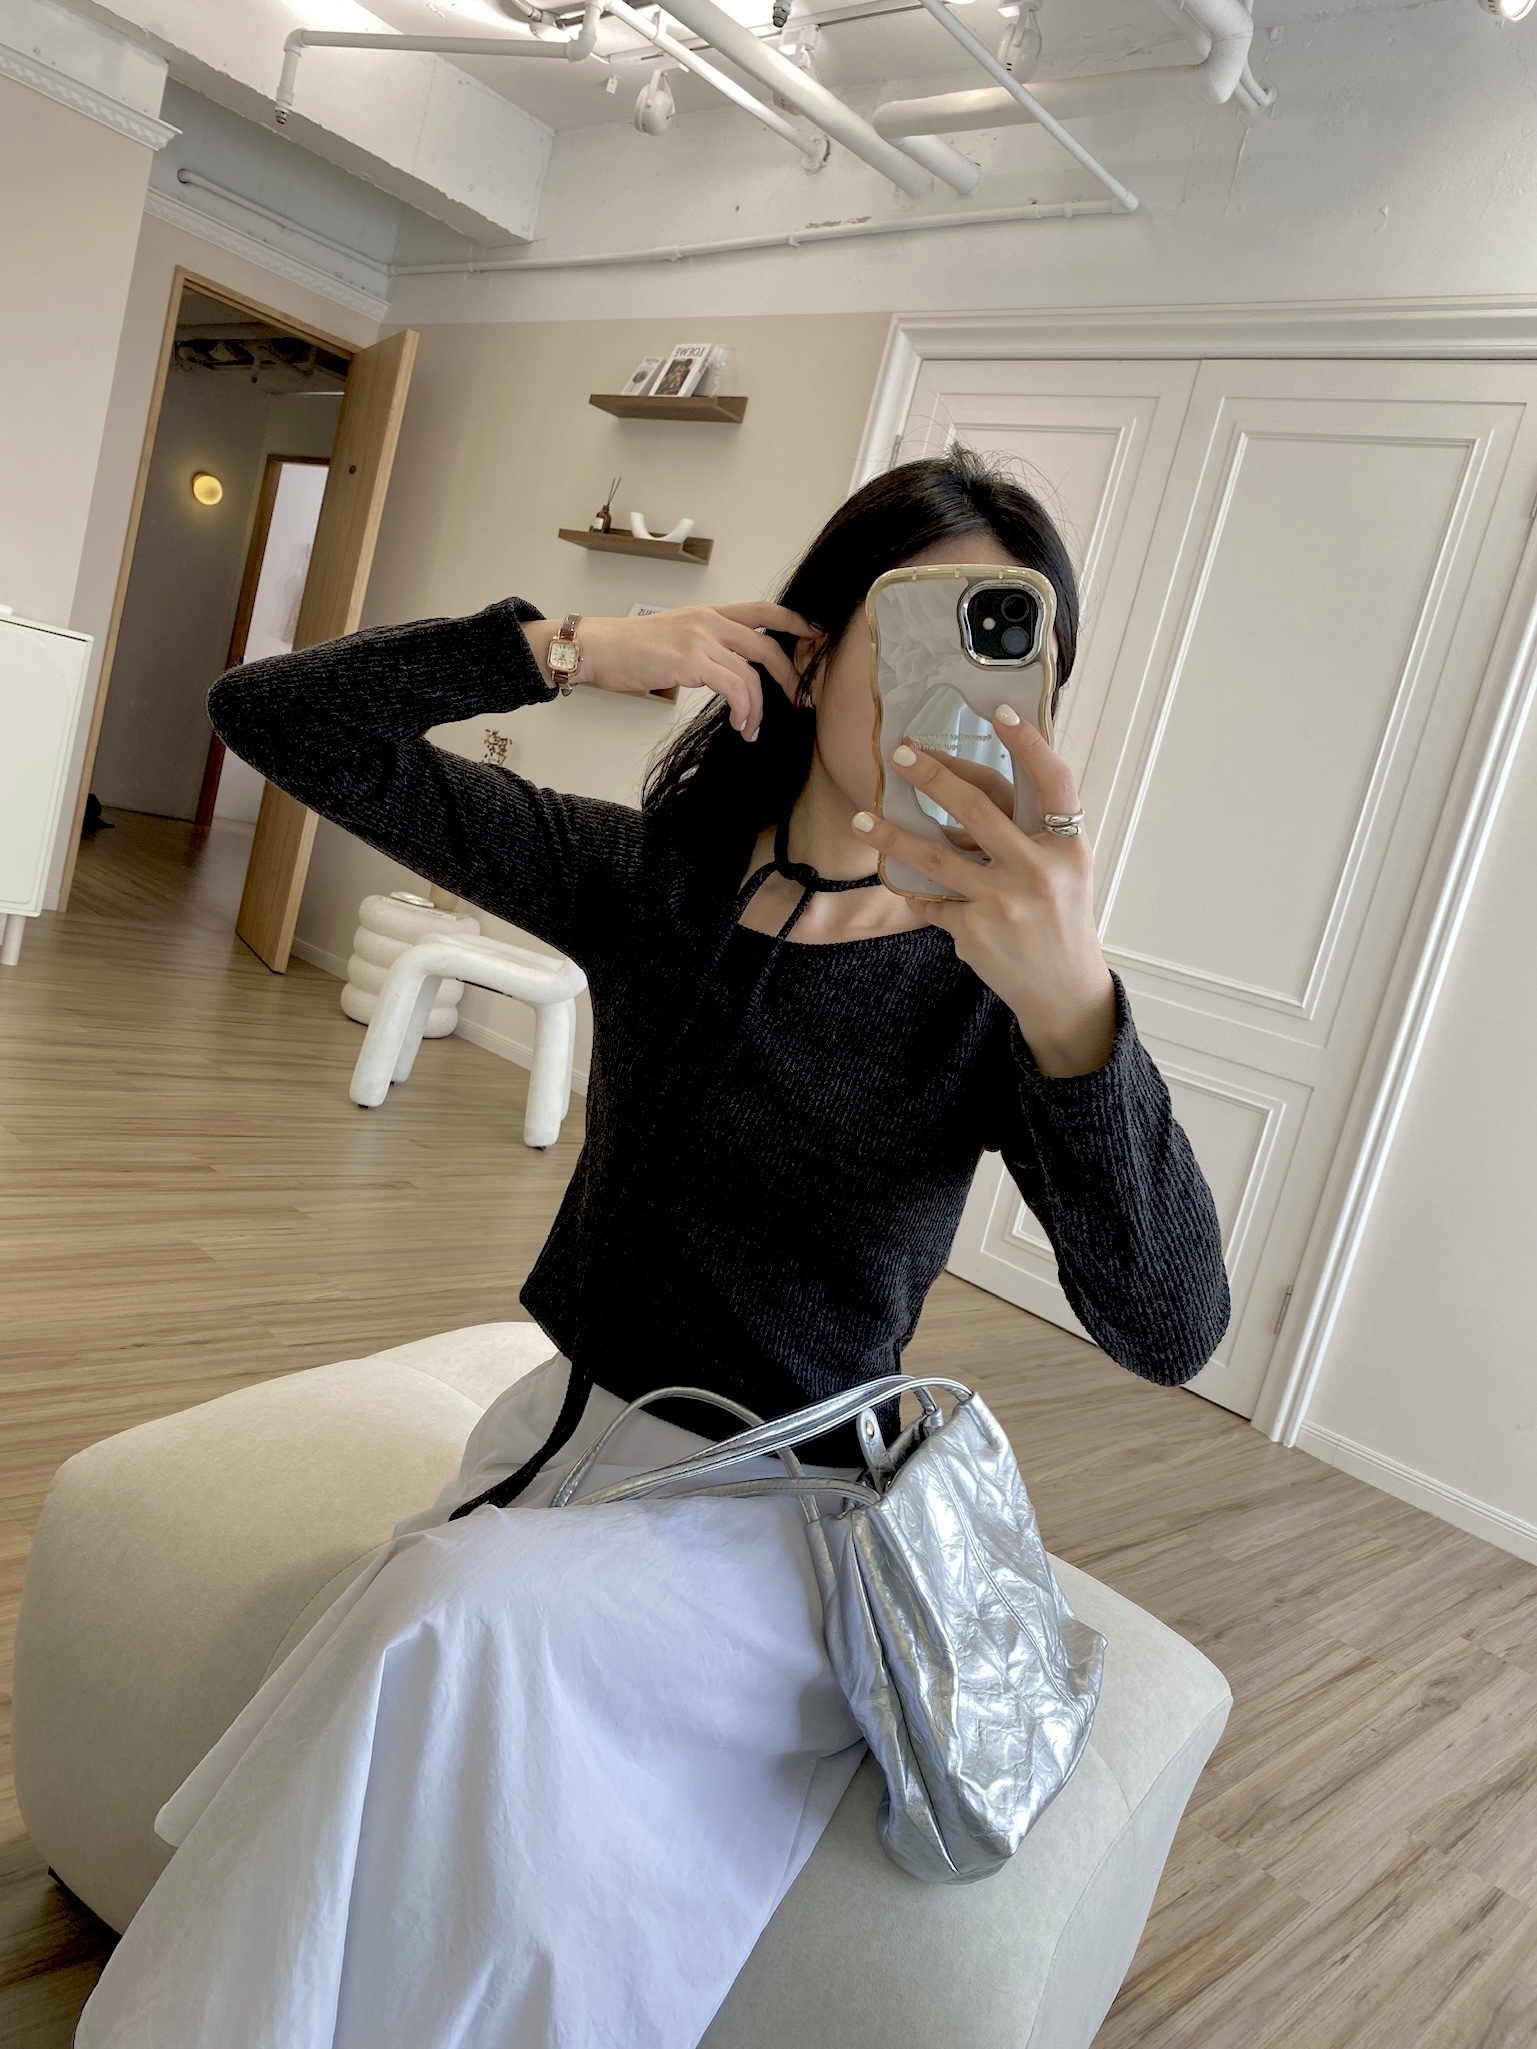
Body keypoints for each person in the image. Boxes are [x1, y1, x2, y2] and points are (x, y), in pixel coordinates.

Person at [75, 452, 1228, 2049]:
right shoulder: (653, 882)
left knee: (444, 1618)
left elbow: (1171, 1322)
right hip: (571, 1444)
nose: (942, 696)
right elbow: (268, 715)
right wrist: (572, 647)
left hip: (782, 1525)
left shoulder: (995, 989)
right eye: (911, 629)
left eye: (1003, 653)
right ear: (808, 652)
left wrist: (1075, 1009)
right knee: (443, 1634)